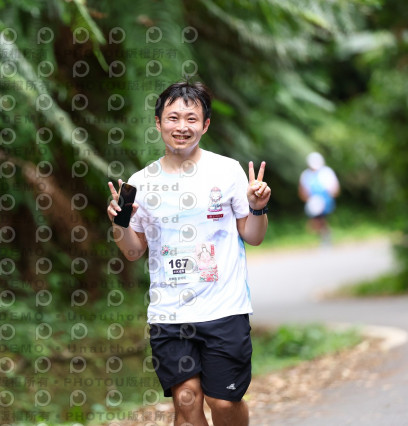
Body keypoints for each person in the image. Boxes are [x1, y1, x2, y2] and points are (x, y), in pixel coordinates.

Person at [107, 81, 270, 426]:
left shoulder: (227, 171)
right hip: (169, 313)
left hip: (225, 308)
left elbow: (253, 237)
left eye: (191, 119)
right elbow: (133, 251)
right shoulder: (141, 183)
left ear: (205, 125)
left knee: (223, 403)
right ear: (158, 123)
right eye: (173, 118)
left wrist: (257, 207)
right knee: (186, 399)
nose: (182, 126)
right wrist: (119, 224)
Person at [298, 152, 340, 244]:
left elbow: (335, 189)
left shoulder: (327, 172)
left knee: (320, 220)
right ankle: (325, 236)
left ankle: (325, 236)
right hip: (312, 202)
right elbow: (302, 191)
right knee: (317, 221)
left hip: (326, 201)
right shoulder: (306, 174)